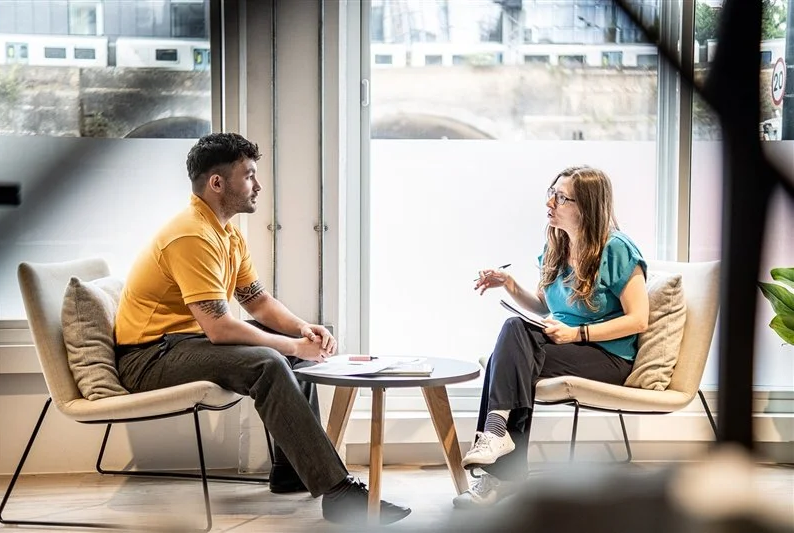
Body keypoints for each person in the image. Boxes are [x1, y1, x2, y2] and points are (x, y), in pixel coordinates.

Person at [114, 132, 410, 525]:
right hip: (149, 358)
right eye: (249, 175)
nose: (258, 185)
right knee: (271, 362)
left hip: (184, 343)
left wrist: (303, 329)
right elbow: (220, 329)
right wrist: (291, 349)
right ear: (217, 183)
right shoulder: (192, 235)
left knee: (290, 344)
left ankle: (291, 471)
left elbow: (256, 301)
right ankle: (338, 492)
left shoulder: (226, 232)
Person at [453, 166, 649, 508]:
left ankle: (499, 461)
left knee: (511, 356)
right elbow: (545, 306)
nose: (550, 202)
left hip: (607, 356)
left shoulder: (616, 248)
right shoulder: (558, 243)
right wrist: (510, 286)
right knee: (514, 335)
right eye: (552, 192)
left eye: (561, 197)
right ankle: (498, 443)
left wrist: (578, 332)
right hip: (562, 344)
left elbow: (638, 319)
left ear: (586, 206)